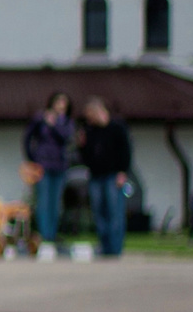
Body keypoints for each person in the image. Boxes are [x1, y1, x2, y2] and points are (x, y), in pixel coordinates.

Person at [79, 96, 133, 258]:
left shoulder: (117, 128)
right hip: (96, 176)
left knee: (114, 212)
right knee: (99, 213)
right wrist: (82, 145)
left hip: (113, 176)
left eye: (90, 116)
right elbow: (85, 158)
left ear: (98, 111)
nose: (88, 120)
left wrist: (123, 172)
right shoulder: (90, 131)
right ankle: (105, 247)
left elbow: (126, 151)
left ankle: (115, 249)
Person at [21, 91, 73, 247]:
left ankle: (52, 234)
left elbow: (66, 138)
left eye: (64, 102)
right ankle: (43, 234)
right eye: (58, 102)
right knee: (43, 201)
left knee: (55, 202)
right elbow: (27, 137)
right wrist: (32, 158)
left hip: (60, 165)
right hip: (42, 166)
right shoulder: (40, 118)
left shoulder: (67, 122)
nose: (60, 105)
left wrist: (54, 124)